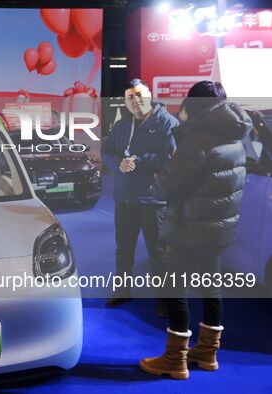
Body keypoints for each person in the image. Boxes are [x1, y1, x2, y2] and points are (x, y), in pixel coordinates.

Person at [139, 81, 252, 379]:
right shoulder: (235, 138)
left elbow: (168, 185)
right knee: (211, 289)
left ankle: (175, 360)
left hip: (190, 229)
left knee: (176, 291)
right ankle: (207, 352)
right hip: (219, 230)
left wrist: (157, 177)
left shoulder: (197, 142)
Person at [101, 79, 178, 312]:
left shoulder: (167, 122)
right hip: (125, 198)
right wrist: (118, 163)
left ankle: (165, 300)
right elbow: (106, 152)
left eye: (139, 94)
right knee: (124, 248)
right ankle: (122, 290)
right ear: (125, 102)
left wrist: (139, 162)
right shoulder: (122, 126)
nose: (135, 100)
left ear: (149, 94)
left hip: (154, 200)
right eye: (130, 97)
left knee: (159, 252)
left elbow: (172, 155)